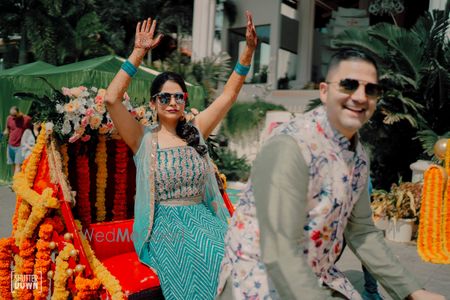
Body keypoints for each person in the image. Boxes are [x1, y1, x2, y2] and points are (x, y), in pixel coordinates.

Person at [216, 49, 445, 299]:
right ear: (324, 91)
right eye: (349, 85)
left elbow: (362, 231)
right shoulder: (290, 146)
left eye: (371, 90)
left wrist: (412, 290)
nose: (360, 97)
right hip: (257, 279)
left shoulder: (357, 155)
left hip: (317, 275)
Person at [105, 12, 257, 300]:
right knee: (201, 258)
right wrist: (138, 52)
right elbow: (112, 99)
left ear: (185, 101)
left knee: (233, 253)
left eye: (178, 97)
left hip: (204, 219)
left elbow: (228, 96)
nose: (172, 102)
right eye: (164, 97)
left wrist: (247, 51)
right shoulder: (143, 139)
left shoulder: (197, 130)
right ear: (154, 103)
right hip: (166, 226)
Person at [3, 106, 30, 174]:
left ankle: (15, 183)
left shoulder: (26, 119)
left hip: (20, 146)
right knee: (13, 165)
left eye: (15, 115)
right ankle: (15, 182)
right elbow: (7, 130)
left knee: (18, 166)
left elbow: (32, 130)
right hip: (10, 145)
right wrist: (3, 134)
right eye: (12, 115)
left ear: (18, 112)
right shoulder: (9, 118)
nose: (13, 117)